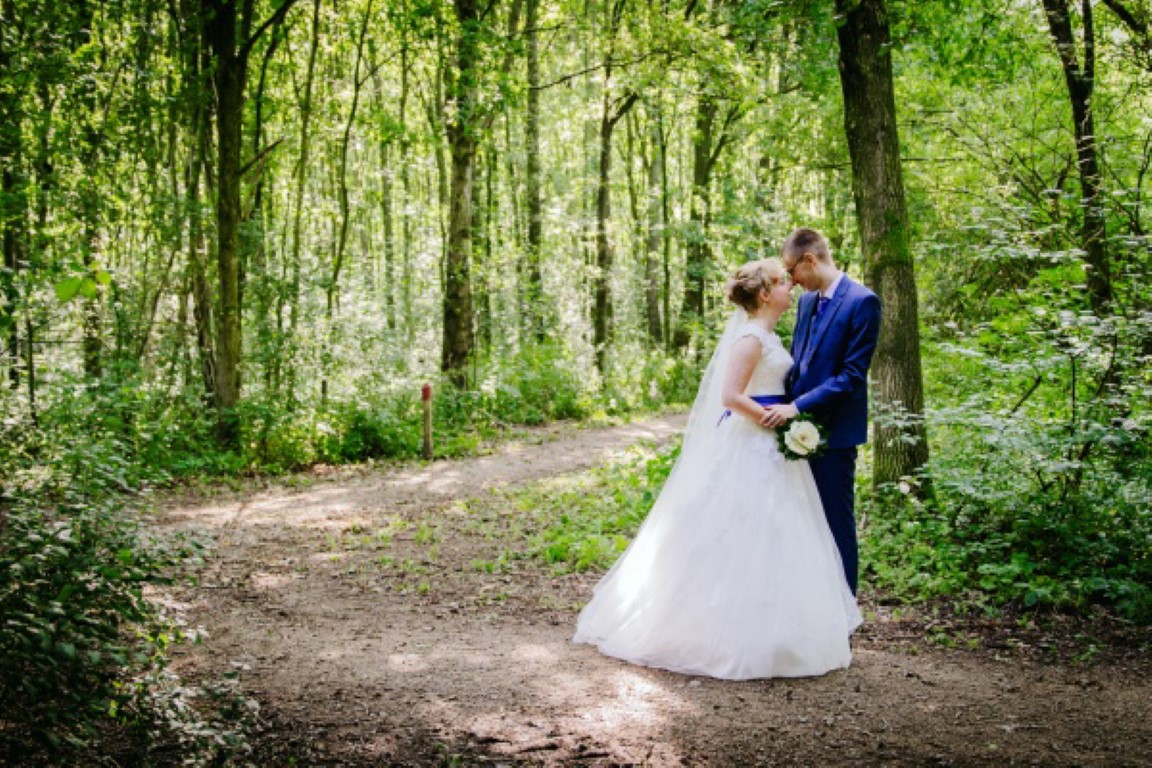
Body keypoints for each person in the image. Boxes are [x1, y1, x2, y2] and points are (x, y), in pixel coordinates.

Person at [572, 259, 861, 680]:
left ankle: (779, 632)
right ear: (765, 294)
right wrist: (777, 417)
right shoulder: (749, 338)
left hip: (775, 449)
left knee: (780, 536)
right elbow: (730, 396)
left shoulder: (768, 335)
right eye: (782, 284)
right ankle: (720, 632)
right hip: (752, 443)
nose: (790, 289)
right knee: (741, 532)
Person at [761, 228, 882, 595]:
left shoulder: (863, 302)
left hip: (835, 438)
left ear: (810, 259)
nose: (792, 282)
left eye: (792, 271)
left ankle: (843, 625)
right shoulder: (807, 304)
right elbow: (799, 366)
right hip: (793, 435)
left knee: (835, 528)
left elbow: (850, 377)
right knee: (799, 528)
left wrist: (795, 408)